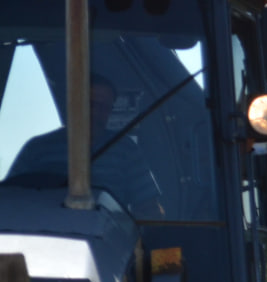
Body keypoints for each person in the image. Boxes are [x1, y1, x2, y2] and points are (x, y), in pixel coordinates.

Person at [6, 72, 164, 217]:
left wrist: (154, 236)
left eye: (104, 107)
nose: (96, 113)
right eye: (90, 104)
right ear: (72, 103)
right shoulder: (37, 148)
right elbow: (9, 197)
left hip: (108, 241)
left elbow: (147, 206)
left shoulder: (126, 150)